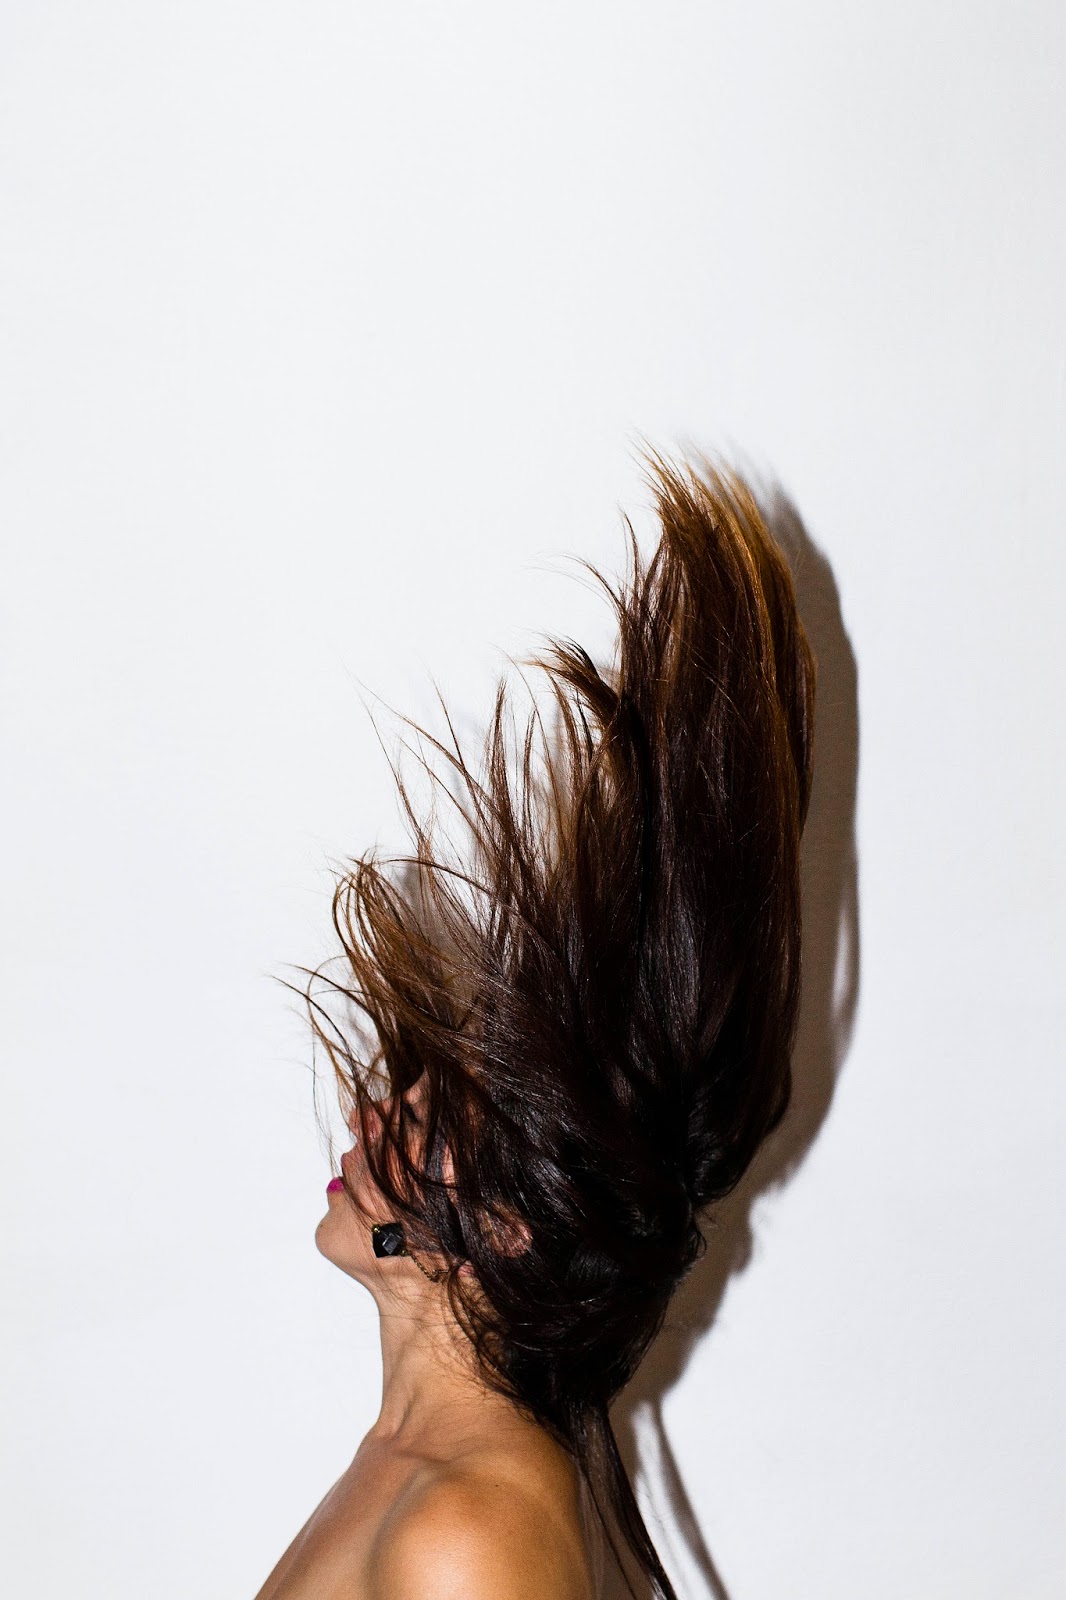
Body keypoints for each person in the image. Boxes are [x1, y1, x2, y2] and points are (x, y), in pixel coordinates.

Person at [253, 450, 816, 1600]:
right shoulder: (416, 1472)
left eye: (430, 1117)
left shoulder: (466, 1528)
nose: (371, 1110)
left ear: (507, 1227)